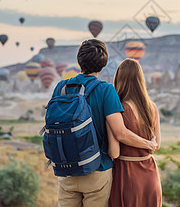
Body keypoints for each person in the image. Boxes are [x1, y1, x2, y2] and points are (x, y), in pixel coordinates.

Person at [53, 39, 158, 207]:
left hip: (67, 170)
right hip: (97, 169)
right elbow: (120, 132)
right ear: (103, 63)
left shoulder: (61, 87)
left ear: (79, 60)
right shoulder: (106, 90)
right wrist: (148, 144)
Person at [108, 59, 162, 207]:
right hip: (150, 173)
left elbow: (114, 153)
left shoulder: (117, 109)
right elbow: (157, 145)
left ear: (119, 79)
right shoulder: (153, 107)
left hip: (127, 174)